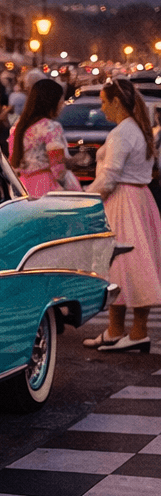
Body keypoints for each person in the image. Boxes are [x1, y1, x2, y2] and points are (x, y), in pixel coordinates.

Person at [83, 78, 161, 353]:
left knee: (121, 264)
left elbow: (109, 179)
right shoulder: (139, 130)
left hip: (122, 202)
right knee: (135, 265)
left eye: (104, 102)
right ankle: (121, 330)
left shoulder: (121, 134)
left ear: (116, 102)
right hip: (141, 199)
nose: (102, 109)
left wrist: (85, 197)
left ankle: (132, 332)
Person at [8, 78, 82, 198]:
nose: (62, 104)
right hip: (46, 188)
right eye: (61, 100)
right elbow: (58, 169)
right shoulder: (50, 127)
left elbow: (13, 161)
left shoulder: (19, 127)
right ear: (52, 102)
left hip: (23, 188)